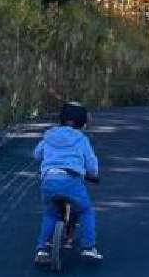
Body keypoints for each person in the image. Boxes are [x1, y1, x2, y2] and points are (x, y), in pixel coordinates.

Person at [32, 101, 102, 264]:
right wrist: (93, 174)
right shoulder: (81, 139)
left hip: (49, 179)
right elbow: (91, 164)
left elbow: (36, 154)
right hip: (71, 180)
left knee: (50, 213)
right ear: (83, 123)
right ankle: (89, 247)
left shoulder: (49, 135)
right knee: (85, 210)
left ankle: (41, 250)